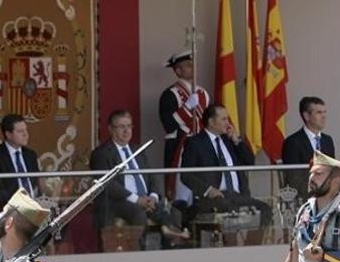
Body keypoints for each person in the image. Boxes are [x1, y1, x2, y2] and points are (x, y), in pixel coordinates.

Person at [90, 109, 188, 247]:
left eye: (129, 126)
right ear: (111, 129)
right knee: (138, 211)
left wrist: (153, 196)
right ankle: (141, 252)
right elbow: (108, 184)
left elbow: (152, 177)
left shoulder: (137, 150)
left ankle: (171, 246)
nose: (126, 131)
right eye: (121, 127)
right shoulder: (101, 153)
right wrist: (137, 200)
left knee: (173, 211)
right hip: (118, 202)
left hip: (145, 199)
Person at [181, 103, 272, 229]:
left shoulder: (228, 141)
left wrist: (236, 141)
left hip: (238, 196)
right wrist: (208, 190)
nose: (228, 123)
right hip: (214, 198)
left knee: (265, 209)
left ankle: (252, 245)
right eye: (223, 119)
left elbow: (249, 162)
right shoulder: (195, 143)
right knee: (229, 210)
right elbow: (185, 175)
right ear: (211, 122)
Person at [158, 50, 210, 206]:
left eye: (193, 64)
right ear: (178, 70)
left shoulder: (203, 94)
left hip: (201, 146)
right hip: (178, 146)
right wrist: (187, 107)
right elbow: (168, 125)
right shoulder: (170, 94)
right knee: (180, 191)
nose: (192, 68)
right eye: (187, 65)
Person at [281, 96, 336, 200]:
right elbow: (293, 178)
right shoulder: (292, 142)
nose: (324, 116)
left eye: (325, 112)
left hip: (329, 196)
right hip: (304, 197)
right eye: (319, 113)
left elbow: (333, 170)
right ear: (306, 116)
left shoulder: (328, 140)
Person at [0, 114, 40, 213]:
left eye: (25, 130)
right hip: (9, 210)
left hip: (33, 208)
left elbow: (36, 184)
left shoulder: (31, 155)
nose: (25, 134)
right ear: (8, 134)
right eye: (20, 131)